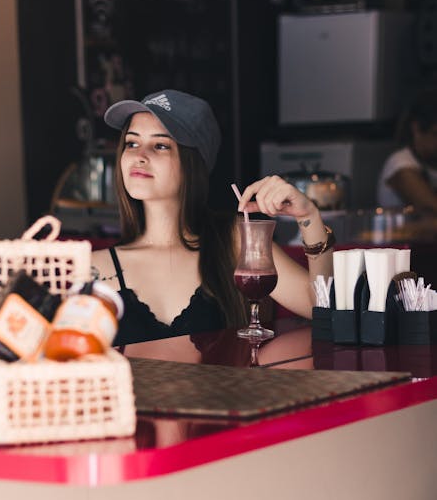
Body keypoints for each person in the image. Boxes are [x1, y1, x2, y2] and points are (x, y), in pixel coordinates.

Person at [91, 89, 334, 345]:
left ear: (193, 163)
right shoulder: (94, 269)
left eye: (160, 145)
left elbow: (323, 310)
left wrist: (309, 217)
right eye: (132, 143)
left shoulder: (236, 241)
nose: (140, 156)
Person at [376, 88, 437, 213]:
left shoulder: (431, 165)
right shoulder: (401, 164)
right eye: (435, 134)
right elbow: (430, 207)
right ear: (416, 129)